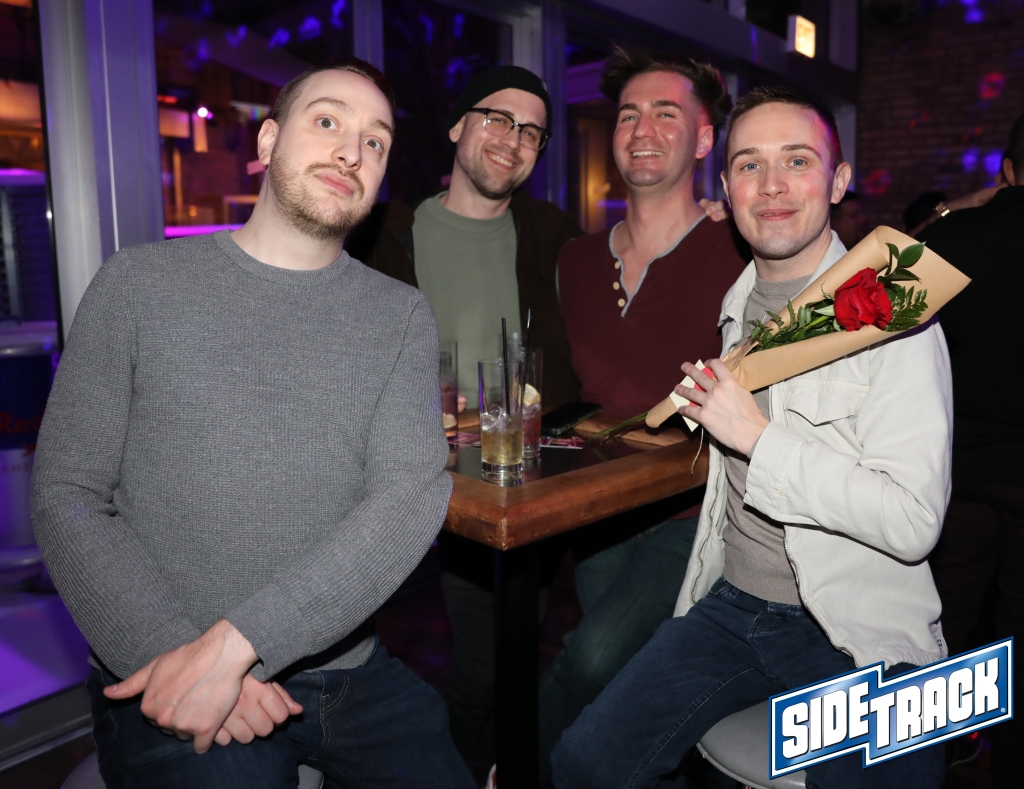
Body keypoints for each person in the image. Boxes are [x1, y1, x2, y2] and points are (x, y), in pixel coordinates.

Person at [31, 60, 475, 789]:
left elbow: (407, 499)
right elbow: (68, 493)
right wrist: (183, 657)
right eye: (327, 121)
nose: (350, 151)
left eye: (375, 142)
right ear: (267, 141)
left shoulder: (399, 315)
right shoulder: (137, 285)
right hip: (163, 657)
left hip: (349, 674)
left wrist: (239, 646)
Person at [552, 85, 949, 789]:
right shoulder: (737, 303)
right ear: (727, 189)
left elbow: (913, 521)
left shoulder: (892, 310)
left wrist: (760, 440)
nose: (771, 185)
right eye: (748, 165)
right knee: (582, 762)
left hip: (852, 631)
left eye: (797, 160)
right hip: (730, 606)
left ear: (839, 181)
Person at [346, 65, 581, 784]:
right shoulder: (385, 232)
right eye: (497, 118)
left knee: (497, 661)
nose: (513, 139)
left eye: (532, 131)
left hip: (516, 484)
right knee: (362, 661)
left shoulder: (550, 233)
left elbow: (617, 289)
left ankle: (486, 766)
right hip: (405, 476)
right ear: (456, 126)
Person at [542, 45, 748, 771]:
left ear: (703, 139)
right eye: (629, 114)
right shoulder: (575, 259)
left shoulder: (741, 248)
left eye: (666, 113)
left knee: (594, 659)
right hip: (596, 511)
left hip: (694, 513)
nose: (642, 128)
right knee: (629, 686)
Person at [919, 112, 1023, 789]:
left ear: (1006, 170)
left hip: (956, 473)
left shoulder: (955, 235)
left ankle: (930, 757)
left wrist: (959, 208)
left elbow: (881, 289)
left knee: (944, 621)